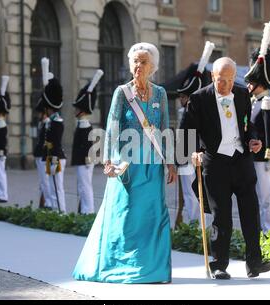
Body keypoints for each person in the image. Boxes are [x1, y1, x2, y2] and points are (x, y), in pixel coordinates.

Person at [73, 42, 177, 283]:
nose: (138, 66)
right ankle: (119, 264)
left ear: (153, 67)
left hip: (152, 166)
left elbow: (164, 128)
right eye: (135, 61)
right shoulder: (122, 92)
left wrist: (170, 162)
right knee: (125, 215)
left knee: (152, 216)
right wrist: (107, 159)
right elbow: (112, 126)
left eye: (143, 62)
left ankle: (152, 269)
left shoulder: (160, 93)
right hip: (127, 166)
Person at [182, 57, 270, 279]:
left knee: (251, 213)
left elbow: (246, 124)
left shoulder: (242, 94)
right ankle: (219, 264)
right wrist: (192, 152)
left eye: (231, 80)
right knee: (221, 217)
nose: (227, 85)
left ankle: (254, 262)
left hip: (241, 162)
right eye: (222, 80)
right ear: (213, 77)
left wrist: (253, 139)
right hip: (215, 164)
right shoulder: (198, 98)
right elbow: (186, 131)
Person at [244, 21, 270, 233]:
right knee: (259, 197)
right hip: (253, 157)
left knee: (269, 197)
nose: (249, 86)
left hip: (264, 157)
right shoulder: (254, 102)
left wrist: (269, 156)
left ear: (261, 81)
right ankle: (263, 232)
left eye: (252, 81)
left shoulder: (267, 102)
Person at [176, 42, 214, 225]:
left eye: (183, 96)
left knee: (195, 195)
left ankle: (195, 227)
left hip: (191, 157)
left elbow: (186, 136)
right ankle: (196, 225)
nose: (181, 99)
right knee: (193, 195)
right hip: (189, 157)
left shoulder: (193, 111)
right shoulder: (190, 111)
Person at [71, 69, 104, 214]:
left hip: (84, 160)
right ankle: (84, 210)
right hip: (82, 160)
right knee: (82, 186)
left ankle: (88, 211)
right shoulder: (82, 124)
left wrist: (86, 158)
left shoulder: (85, 125)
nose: (75, 110)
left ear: (82, 110)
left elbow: (86, 145)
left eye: (77, 108)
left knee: (85, 186)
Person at [41, 74, 67, 213]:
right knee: (52, 186)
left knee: (57, 187)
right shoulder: (51, 121)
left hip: (55, 158)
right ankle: (56, 211)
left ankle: (61, 212)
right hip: (51, 158)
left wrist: (53, 159)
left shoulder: (57, 122)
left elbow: (55, 143)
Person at [34, 58, 53, 210]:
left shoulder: (50, 122)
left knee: (47, 182)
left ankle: (48, 203)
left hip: (46, 155)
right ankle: (45, 202)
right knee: (43, 182)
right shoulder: (44, 122)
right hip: (41, 154)